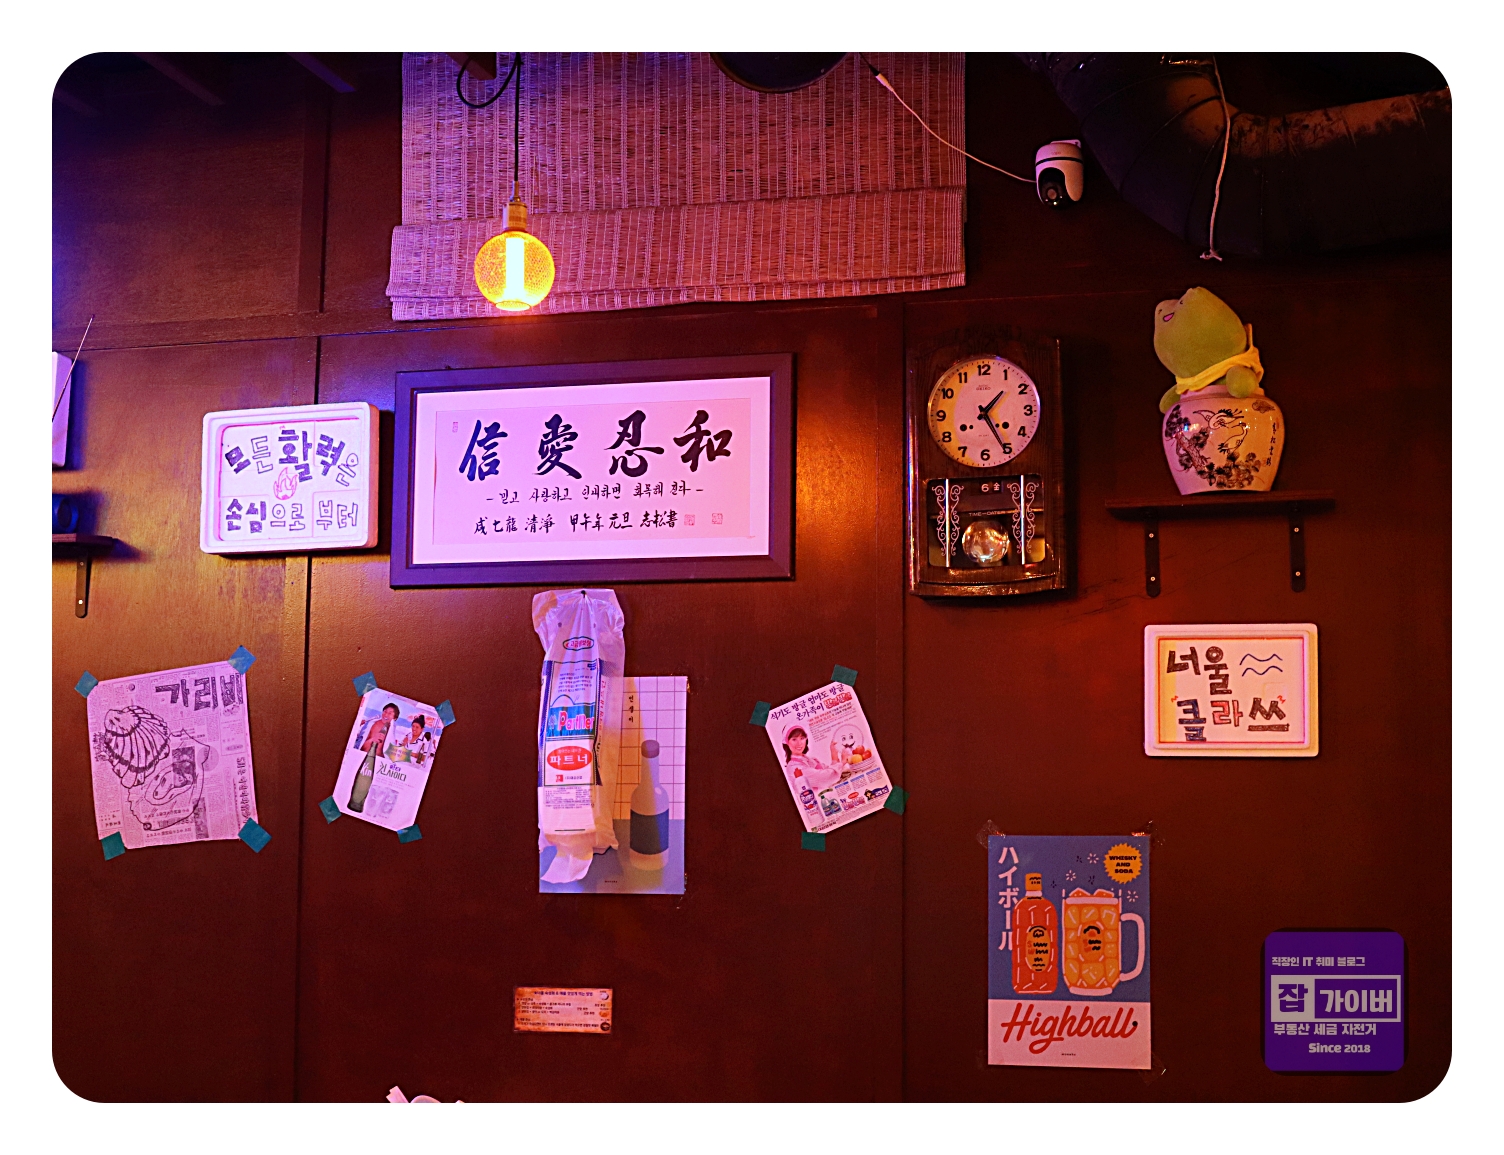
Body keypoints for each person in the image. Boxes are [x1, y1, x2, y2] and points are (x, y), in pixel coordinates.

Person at [349, 702, 399, 812]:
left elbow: (391, 752)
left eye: (390, 713)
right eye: (385, 711)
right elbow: (361, 744)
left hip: (379, 763)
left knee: (375, 794)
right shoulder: (374, 724)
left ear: (394, 718)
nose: (386, 714)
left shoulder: (392, 731)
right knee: (357, 785)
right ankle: (354, 804)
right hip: (364, 758)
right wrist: (373, 739)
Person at [781, 724, 846, 795]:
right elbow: (825, 778)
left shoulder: (810, 760)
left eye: (802, 738)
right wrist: (843, 762)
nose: (799, 743)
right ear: (787, 742)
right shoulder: (794, 768)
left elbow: (829, 771)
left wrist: (834, 754)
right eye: (794, 739)